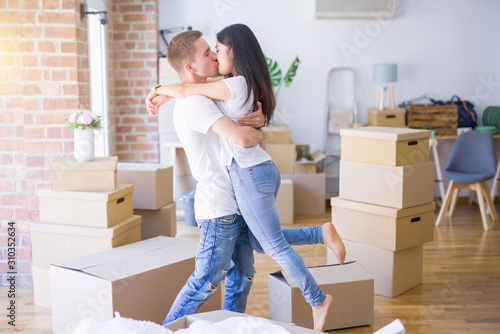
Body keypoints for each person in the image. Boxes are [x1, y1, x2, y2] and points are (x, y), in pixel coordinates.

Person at [148, 25, 345, 332]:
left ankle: (230, 328)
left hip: (238, 193)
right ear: (189, 66)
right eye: (207, 52)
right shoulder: (197, 101)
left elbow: (240, 119)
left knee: (243, 276)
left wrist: (260, 123)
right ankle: (161, 331)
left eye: (216, 49)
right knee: (209, 279)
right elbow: (241, 137)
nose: (214, 55)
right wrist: (161, 90)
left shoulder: (213, 89)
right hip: (220, 204)